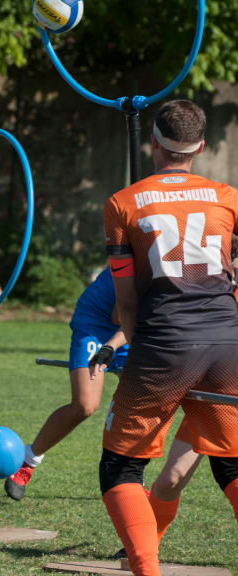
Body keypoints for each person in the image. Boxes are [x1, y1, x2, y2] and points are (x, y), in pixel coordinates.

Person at [102, 99, 238, 575]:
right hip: (226, 342)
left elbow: (125, 302)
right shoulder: (228, 196)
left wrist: (136, 345)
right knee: (232, 462)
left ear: (153, 141)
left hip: (163, 343)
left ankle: (145, 569)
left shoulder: (124, 202)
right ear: (200, 146)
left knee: (121, 466)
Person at [5, 266, 129, 500]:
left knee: (137, 405)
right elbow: (120, 317)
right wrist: (110, 347)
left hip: (134, 327)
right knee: (84, 405)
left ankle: (131, 476)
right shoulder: (143, 261)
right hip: (97, 323)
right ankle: (28, 461)